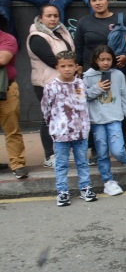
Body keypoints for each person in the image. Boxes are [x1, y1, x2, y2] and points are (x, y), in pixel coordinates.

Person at [84, 44, 126, 196]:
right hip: (97, 121)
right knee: (102, 152)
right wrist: (98, 88)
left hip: (115, 118)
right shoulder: (88, 76)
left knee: (118, 149)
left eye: (108, 59)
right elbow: (83, 97)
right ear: (95, 60)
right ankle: (108, 181)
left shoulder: (118, 75)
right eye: (102, 59)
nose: (105, 62)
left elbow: (124, 97)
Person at [41, 51, 95, 206]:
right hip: (61, 133)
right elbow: (46, 108)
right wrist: (52, 126)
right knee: (61, 164)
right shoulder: (51, 86)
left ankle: (85, 188)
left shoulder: (80, 84)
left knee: (82, 162)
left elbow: (84, 105)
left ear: (76, 67)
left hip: (80, 132)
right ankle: (62, 191)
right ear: (57, 67)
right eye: (63, 66)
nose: (67, 69)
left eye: (70, 65)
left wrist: (85, 126)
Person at [27, 4, 75, 168]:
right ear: (41, 18)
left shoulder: (61, 33)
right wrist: (72, 67)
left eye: (55, 15)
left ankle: (63, 152)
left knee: (65, 117)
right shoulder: (37, 36)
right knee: (49, 119)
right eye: (49, 16)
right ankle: (49, 155)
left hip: (65, 83)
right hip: (46, 84)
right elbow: (52, 60)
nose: (53, 18)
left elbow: (70, 55)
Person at [0, 26, 26, 178]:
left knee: (12, 129)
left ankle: (18, 164)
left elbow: (2, 59)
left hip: (6, 90)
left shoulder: (7, 38)